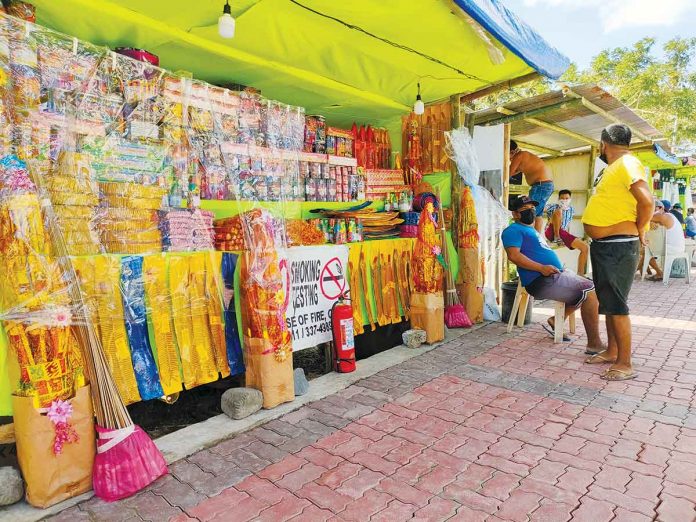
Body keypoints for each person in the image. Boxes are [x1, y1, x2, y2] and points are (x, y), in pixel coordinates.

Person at [582, 124, 654, 381]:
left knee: (618, 305)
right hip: (607, 245)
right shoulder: (615, 167)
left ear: (603, 143)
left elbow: (646, 200)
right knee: (609, 303)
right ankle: (612, 352)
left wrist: (640, 227)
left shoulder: (627, 163)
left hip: (619, 244)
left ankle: (625, 363)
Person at [502, 195, 605, 352]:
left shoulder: (532, 230)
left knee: (588, 289)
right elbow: (514, 256)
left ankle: (557, 320)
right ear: (515, 214)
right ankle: (594, 344)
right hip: (540, 280)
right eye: (524, 209)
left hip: (551, 275)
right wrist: (541, 268)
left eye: (532, 208)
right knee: (589, 291)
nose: (530, 211)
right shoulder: (513, 230)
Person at [509, 140, 554, 234]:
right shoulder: (523, 156)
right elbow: (515, 171)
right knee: (538, 214)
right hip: (544, 185)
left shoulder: (519, 156)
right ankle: (537, 237)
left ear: (512, 152)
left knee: (529, 212)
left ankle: (531, 237)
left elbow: (508, 173)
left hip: (541, 185)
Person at [544, 189, 590, 275]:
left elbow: (568, 224)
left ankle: (580, 274)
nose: (564, 200)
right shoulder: (553, 206)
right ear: (558, 199)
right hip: (551, 232)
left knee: (585, 248)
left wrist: (568, 236)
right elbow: (542, 208)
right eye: (562, 198)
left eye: (566, 198)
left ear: (570, 199)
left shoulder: (571, 210)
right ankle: (557, 238)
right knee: (558, 211)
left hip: (563, 233)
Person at [642, 199, 686, 280]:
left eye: (654, 208)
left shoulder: (663, 216)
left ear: (662, 208)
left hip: (671, 249)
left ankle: (659, 273)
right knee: (645, 250)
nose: (652, 210)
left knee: (645, 252)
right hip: (678, 248)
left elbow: (644, 217)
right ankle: (654, 271)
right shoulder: (669, 216)